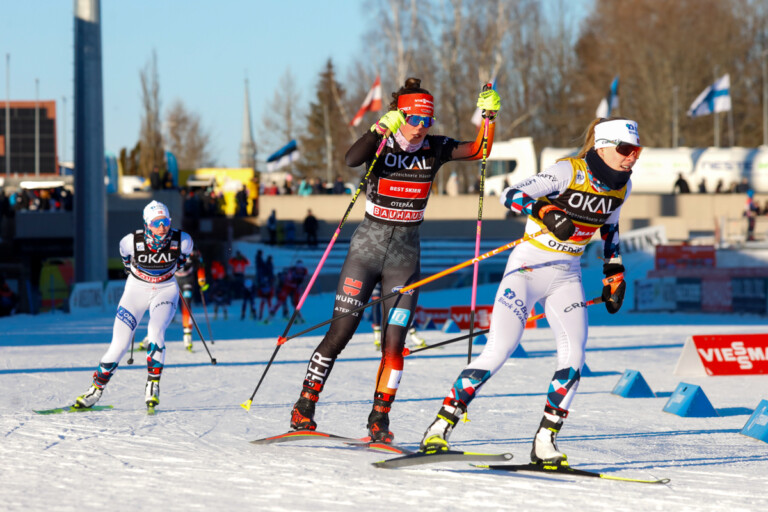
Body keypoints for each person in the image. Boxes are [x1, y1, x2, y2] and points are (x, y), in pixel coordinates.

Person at [288, 77, 501, 443]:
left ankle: (379, 418)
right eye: (414, 119)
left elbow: (479, 150)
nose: (420, 128)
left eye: (426, 121)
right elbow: (351, 159)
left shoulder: (434, 147)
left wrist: (489, 117)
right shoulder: (381, 142)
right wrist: (377, 129)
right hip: (365, 255)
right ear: (400, 116)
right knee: (341, 332)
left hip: (404, 261)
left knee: (395, 342)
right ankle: (304, 406)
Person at [418, 117, 641, 465]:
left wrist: (614, 273)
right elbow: (511, 195)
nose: (632, 157)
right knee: (499, 350)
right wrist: (546, 210)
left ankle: (545, 441)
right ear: (603, 147)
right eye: (626, 149)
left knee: (574, 357)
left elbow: (610, 230)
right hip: (527, 269)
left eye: (636, 151)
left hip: (567, 276)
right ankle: (439, 427)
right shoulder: (569, 171)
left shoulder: (621, 187)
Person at [73, 201, 193, 411]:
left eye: (165, 222)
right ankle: (95, 390)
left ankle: (152, 385)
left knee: (155, 331)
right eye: (156, 223)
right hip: (136, 290)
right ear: (147, 224)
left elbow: (181, 262)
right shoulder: (130, 241)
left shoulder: (183, 240)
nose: (162, 227)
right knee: (119, 345)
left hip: (165, 290)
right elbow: (126, 263)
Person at [369, 282, 425, 350]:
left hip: (391, 278)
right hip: (379, 278)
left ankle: (413, 334)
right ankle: (377, 336)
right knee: (376, 301)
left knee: (400, 301)